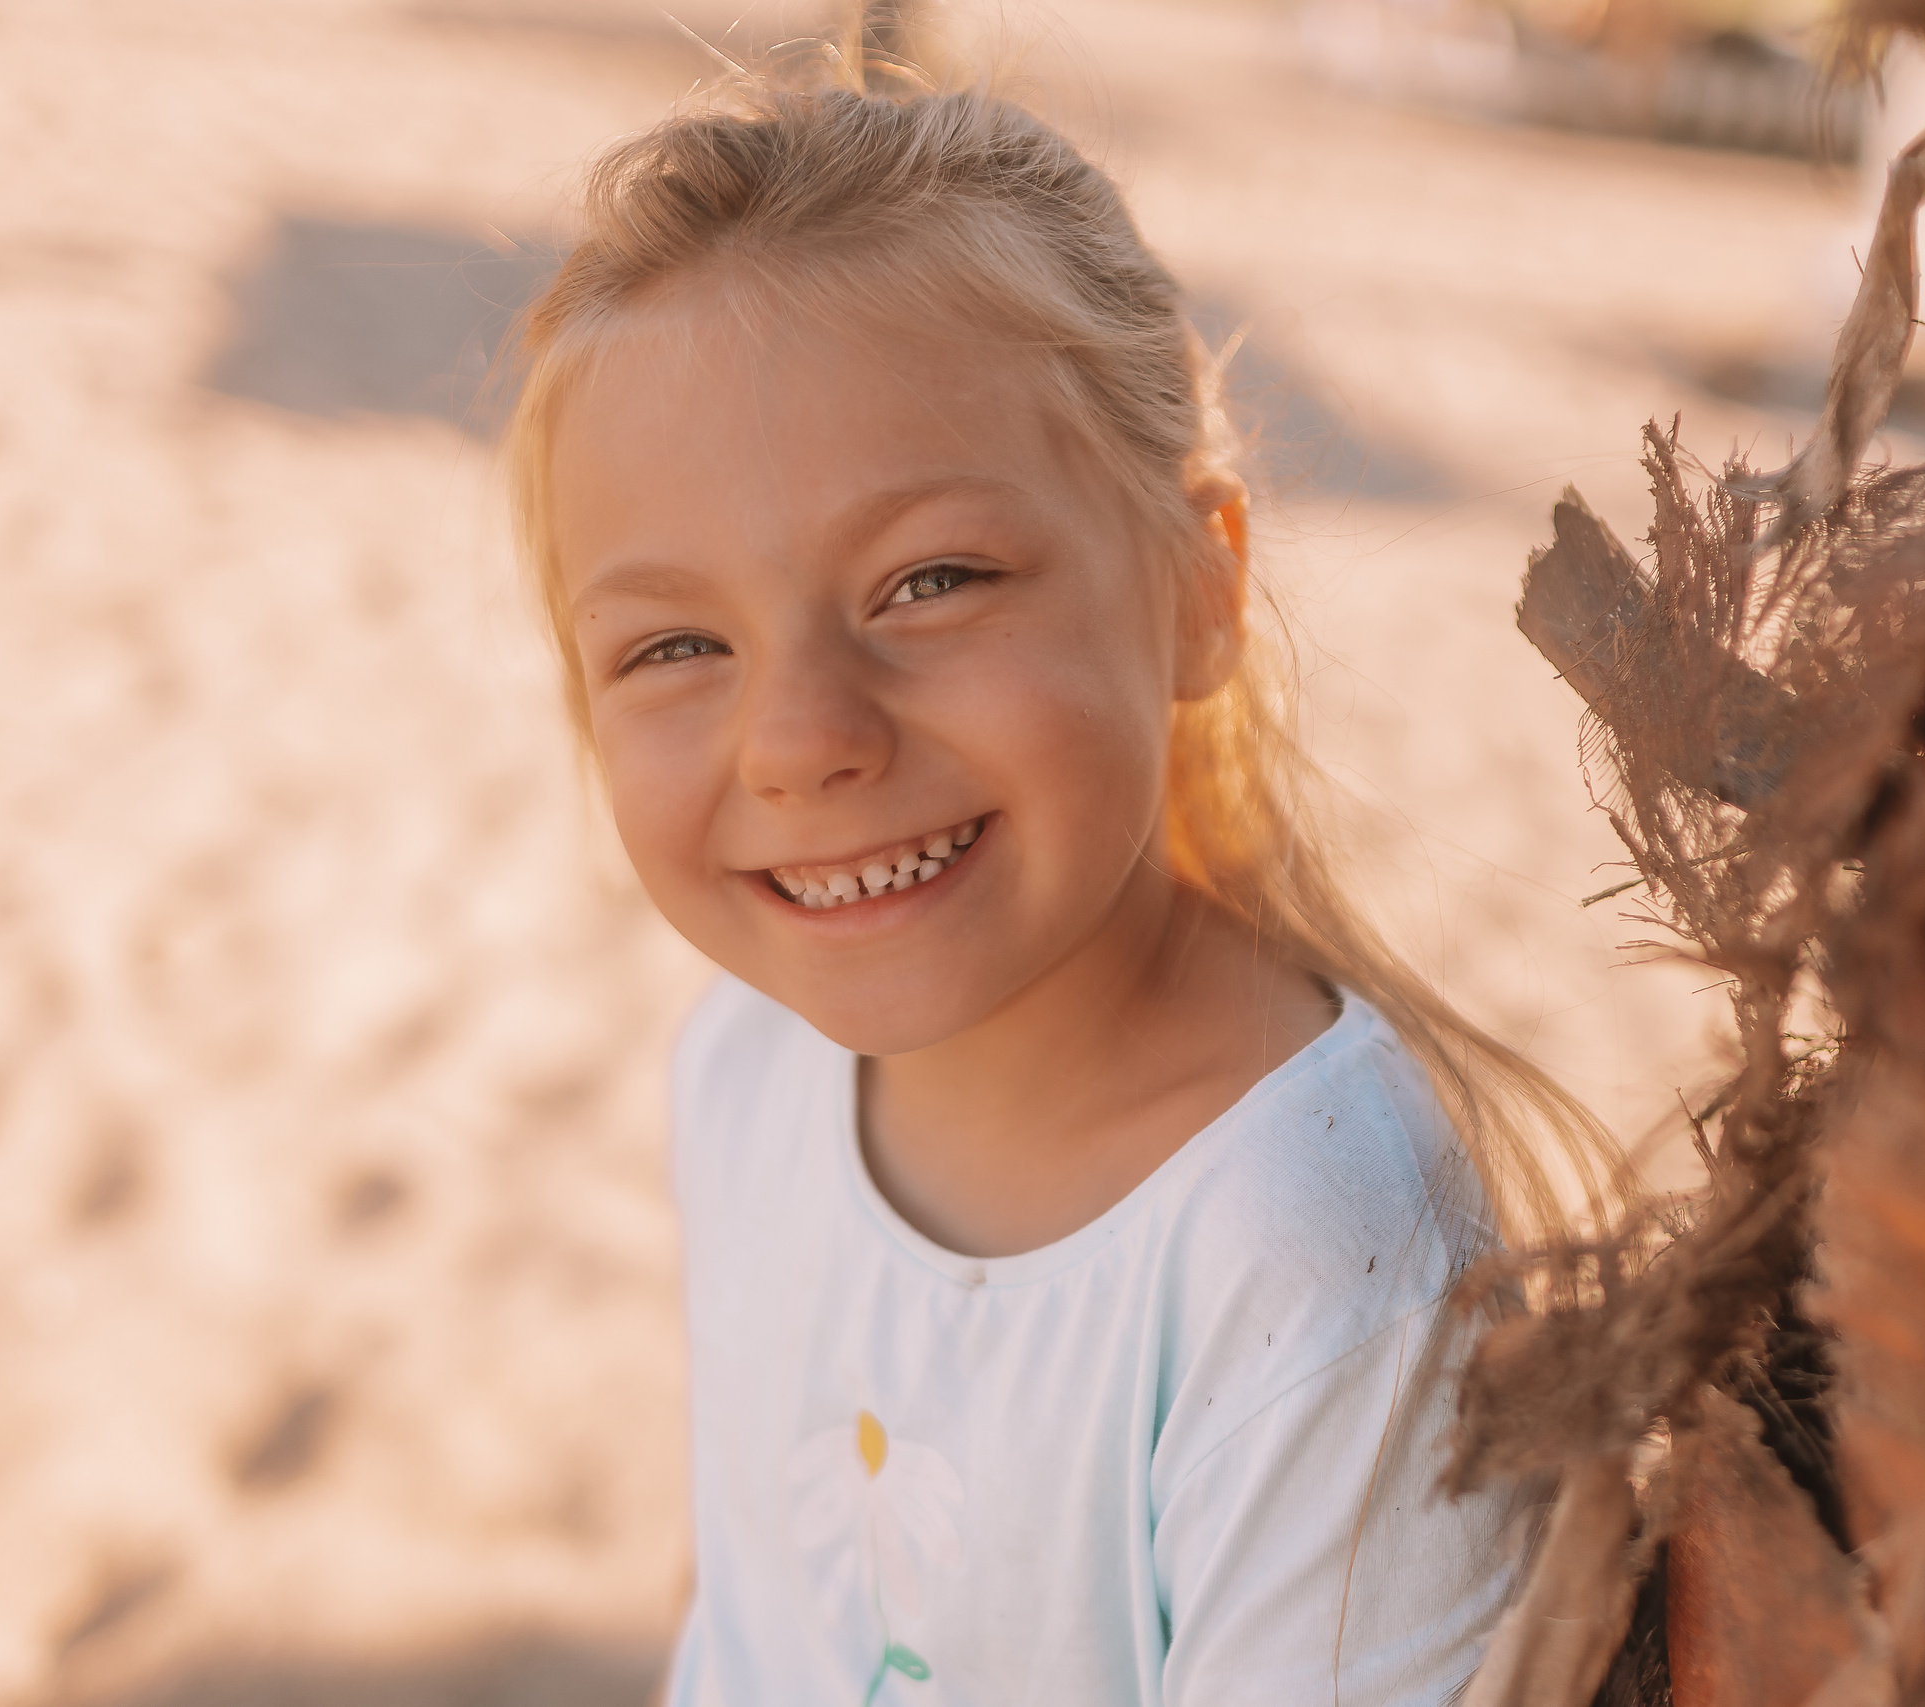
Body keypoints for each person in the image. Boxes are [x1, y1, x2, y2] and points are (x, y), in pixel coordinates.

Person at [502, 60, 1610, 1706]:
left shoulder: (1312, 1253)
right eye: (675, 645)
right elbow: (748, 1612)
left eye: (930, 580)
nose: (801, 739)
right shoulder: (744, 1067)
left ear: (1196, 587)